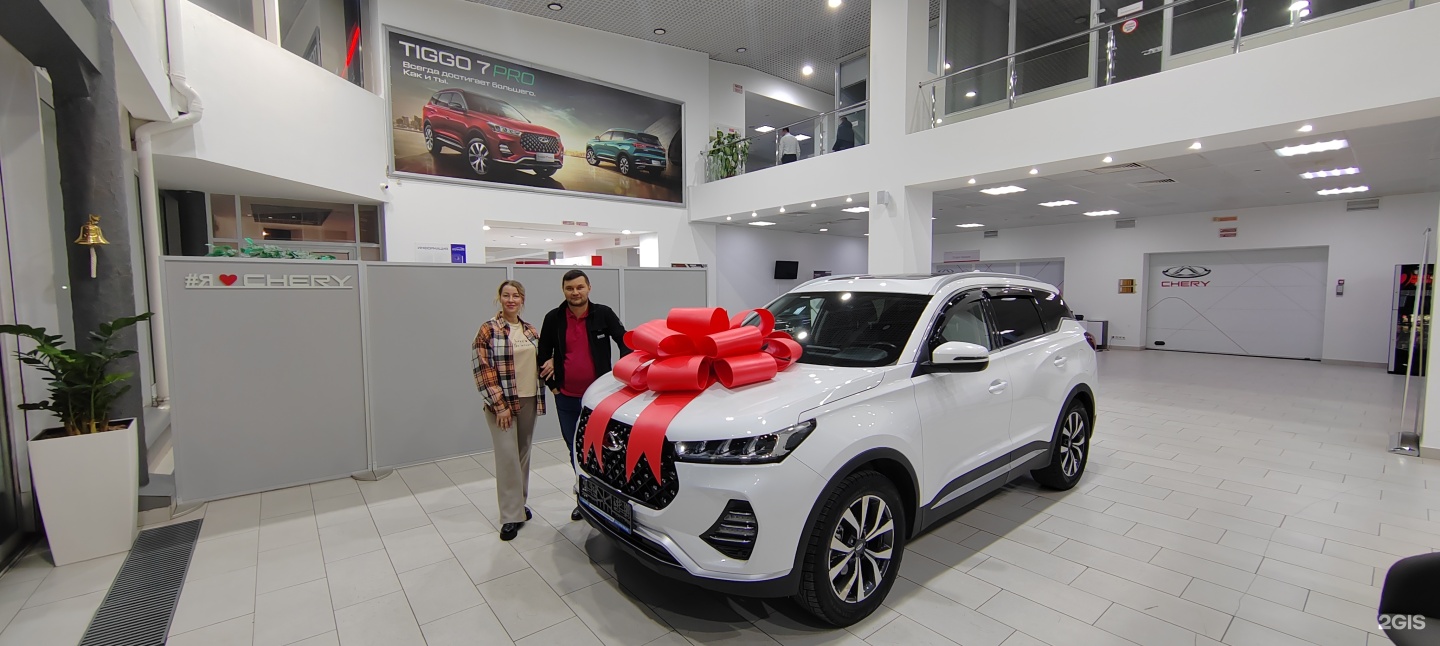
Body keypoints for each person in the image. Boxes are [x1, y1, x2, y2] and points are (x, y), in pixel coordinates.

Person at [539, 269, 630, 521]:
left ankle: (610, 501)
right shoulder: (553, 318)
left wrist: (624, 374)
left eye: (580, 287)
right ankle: (585, 497)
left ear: (589, 287)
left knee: (604, 451)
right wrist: (553, 387)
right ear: (563, 291)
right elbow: (542, 353)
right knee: (575, 451)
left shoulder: (603, 313)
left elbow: (624, 341)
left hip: (598, 401)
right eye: (569, 288)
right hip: (566, 397)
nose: (575, 292)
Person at [472, 280, 546, 541]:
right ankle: (509, 516)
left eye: (516, 296)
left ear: (522, 299)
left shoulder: (530, 330)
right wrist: (499, 405)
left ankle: (519, 506)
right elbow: (482, 370)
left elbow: (540, 360)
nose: (511, 300)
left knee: (523, 455)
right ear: (500, 298)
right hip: (502, 404)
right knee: (507, 458)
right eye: (506, 295)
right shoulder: (488, 329)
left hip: (529, 399)